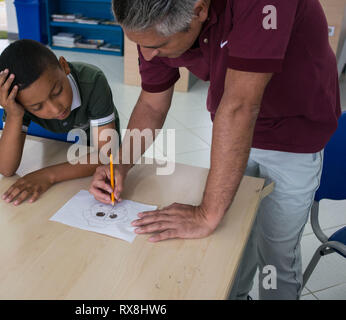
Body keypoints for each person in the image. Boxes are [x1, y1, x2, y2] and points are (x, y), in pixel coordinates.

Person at [89, 0, 341, 299]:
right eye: (138, 44)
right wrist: (122, 166)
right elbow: (152, 103)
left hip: (294, 136)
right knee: (233, 239)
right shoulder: (155, 22)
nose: (147, 54)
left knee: (276, 251)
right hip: (232, 132)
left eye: (158, 45)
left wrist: (206, 213)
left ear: (199, 10)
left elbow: (240, 107)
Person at [0, 39, 120, 206]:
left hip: (95, 171)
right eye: (37, 107)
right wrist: (14, 115)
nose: (55, 109)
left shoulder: (92, 81)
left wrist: (48, 175)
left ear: (64, 66)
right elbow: (5, 168)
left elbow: (105, 155)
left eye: (57, 91)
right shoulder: (18, 101)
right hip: (64, 158)